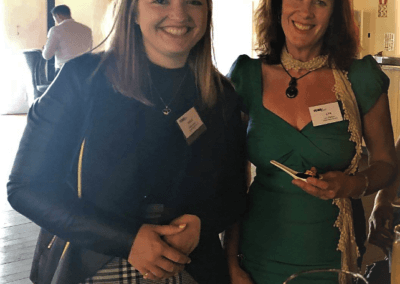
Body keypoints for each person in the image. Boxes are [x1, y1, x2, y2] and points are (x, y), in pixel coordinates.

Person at [7, 0, 247, 283]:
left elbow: (233, 194)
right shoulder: (83, 80)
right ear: (133, 11)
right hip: (94, 264)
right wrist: (127, 240)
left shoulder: (220, 96)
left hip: (192, 267)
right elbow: (26, 187)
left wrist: (200, 223)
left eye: (194, 1)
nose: (179, 14)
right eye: (161, 0)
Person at [225, 0, 397, 283]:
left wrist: (352, 185)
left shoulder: (360, 78)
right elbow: (231, 179)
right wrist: (230, 261)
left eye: (320, 2)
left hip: (331, 252)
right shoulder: (246, 76)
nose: (305, 11)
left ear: (336, 13)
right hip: (258, 251)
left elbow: (386, 163)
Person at [42, 5, 93, 72]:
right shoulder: (87, 29)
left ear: (58, 15)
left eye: (54, 18)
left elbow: (47, 55)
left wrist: (44, 49)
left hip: (64, 72)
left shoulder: (56, 30)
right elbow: (90, 50)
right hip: (85, 71)